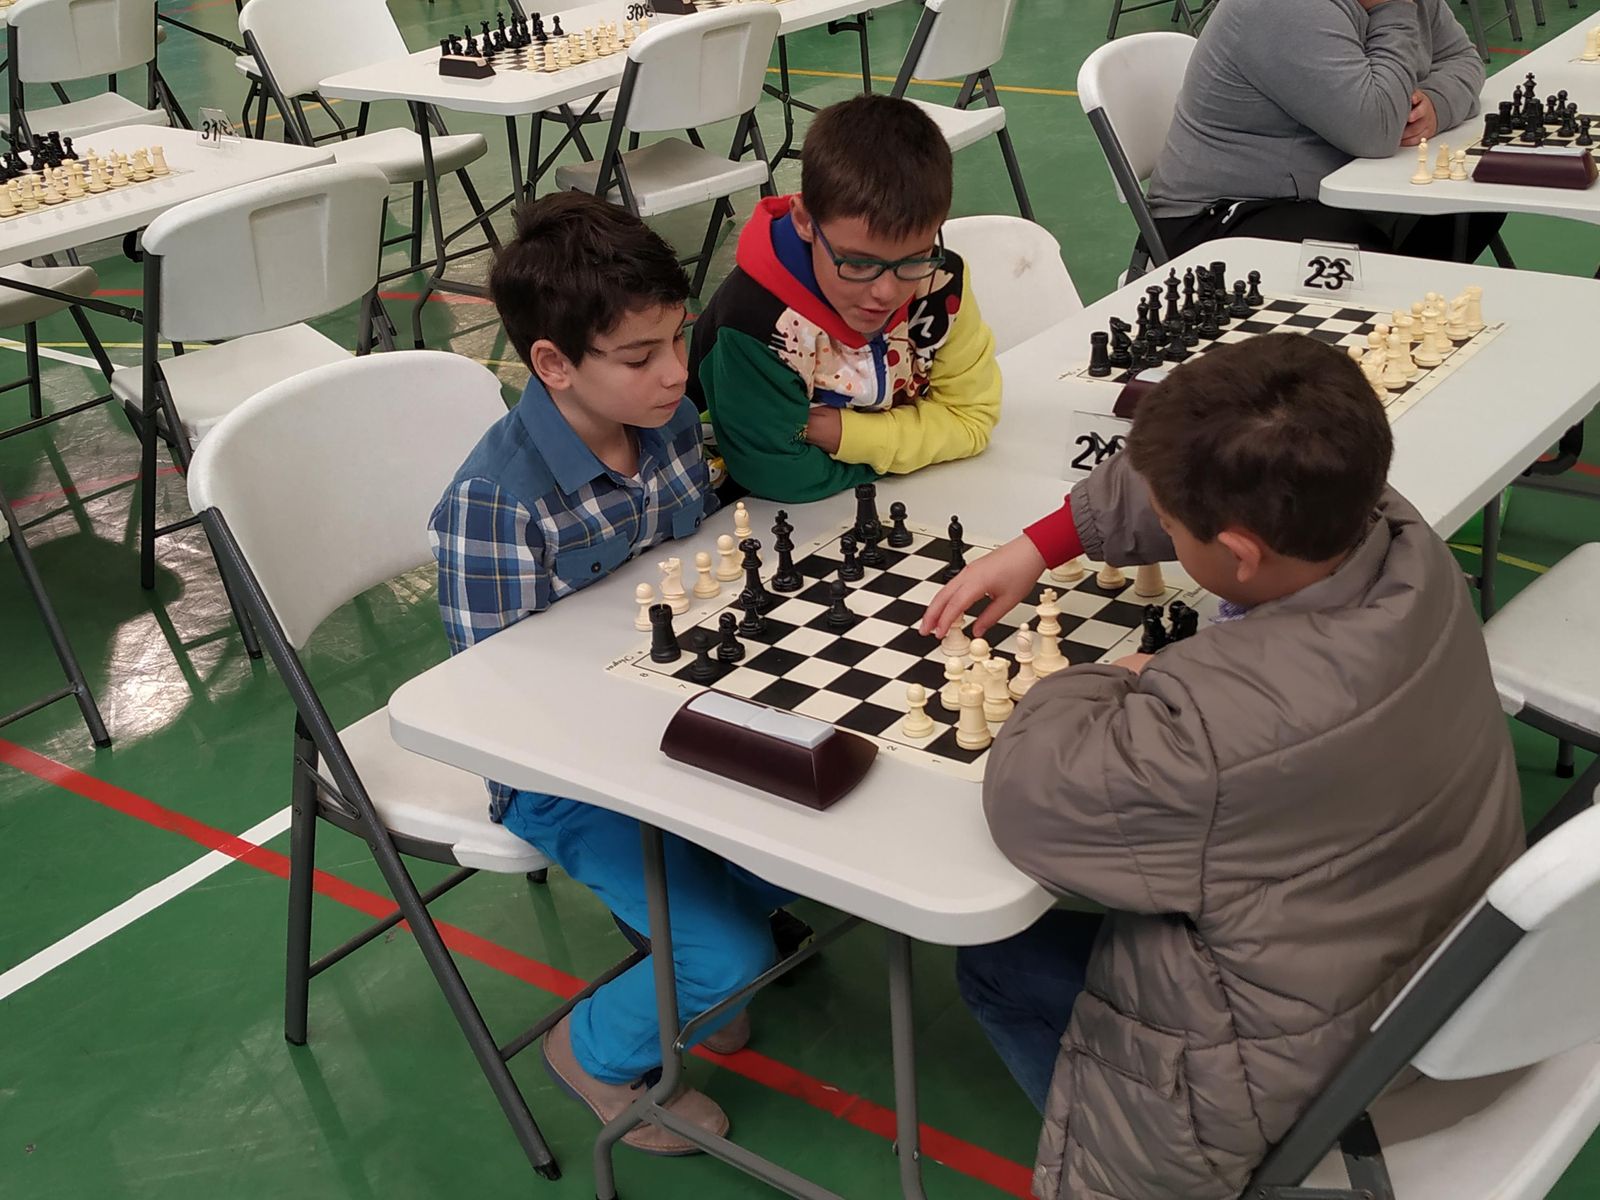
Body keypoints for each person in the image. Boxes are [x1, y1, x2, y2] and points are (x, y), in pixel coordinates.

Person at [921, 334, 1523, 1199]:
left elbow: (1033, 798)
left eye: (1169, 530)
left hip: (1314, 1068)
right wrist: (1045, 543)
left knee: (997, 960)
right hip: (1440, 974)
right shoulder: (1392, 531)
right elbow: (1191, 474)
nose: (1161, 530)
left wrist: (1119, 677)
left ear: (1239, 555)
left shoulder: (1211, 735)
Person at [428, 192, 800, 1154]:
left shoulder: (664, 420)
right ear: (553, 363)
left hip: (673, 713)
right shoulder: (494, 502)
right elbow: (493, 703)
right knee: (732, 948)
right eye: (641, 357)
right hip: (561, 773)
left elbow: (691, 573)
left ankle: (699, 973)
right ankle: (591, 1054)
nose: (677, 371)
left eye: (678, 339)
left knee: (818, 847)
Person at [689, 93, 1001, 504]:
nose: (886, 292)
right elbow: (779, 475)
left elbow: (972, 419)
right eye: (857, 263)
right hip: (747, 511)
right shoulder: (753, 323)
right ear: (804, 221)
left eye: (913, 259)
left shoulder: (941, 281)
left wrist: (845, 434)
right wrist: (912, 447)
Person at [1145, 0, 1504, 263]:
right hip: (1223, 215)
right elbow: (1376, 130)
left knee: (1477, 200)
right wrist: (1392, 8)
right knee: (1360, 259)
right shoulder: (1283, 8)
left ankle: (1407, 308)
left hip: (1334, 189)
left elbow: (1463, 58)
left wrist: (1437, 104)